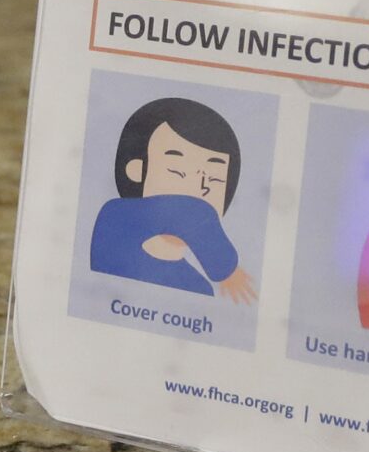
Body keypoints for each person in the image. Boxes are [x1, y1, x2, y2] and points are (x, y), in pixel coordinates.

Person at [86, 97, 258, 303]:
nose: (197, 190)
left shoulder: (198, 288)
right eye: (177, 173)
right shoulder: (116, 218)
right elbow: (191, 212)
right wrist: (226, 268)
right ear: (136, 171)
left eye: (213, 180)